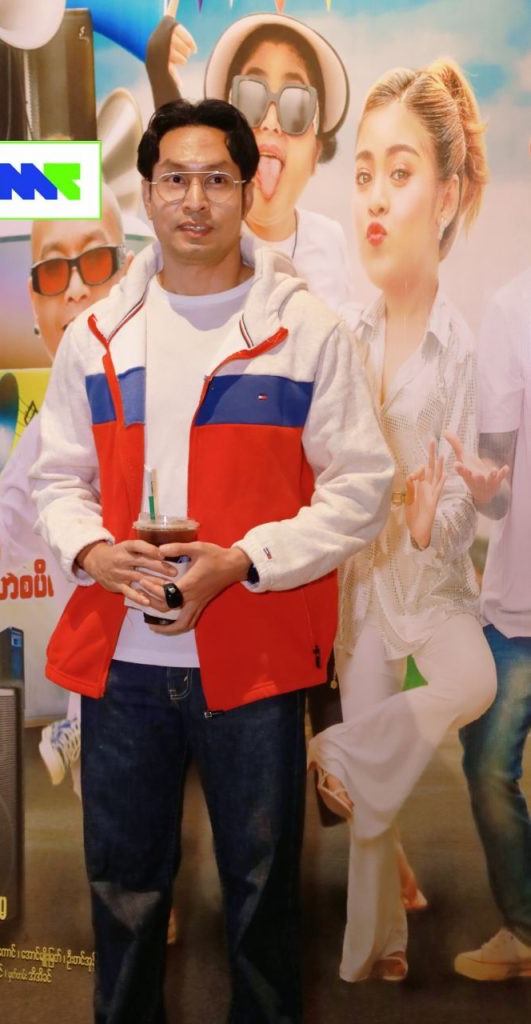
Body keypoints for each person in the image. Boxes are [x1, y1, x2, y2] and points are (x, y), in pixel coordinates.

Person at [31, 98, 393, 1023]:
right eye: (174, 180)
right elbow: (55, 478)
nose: (194, 200)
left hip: (255, 662)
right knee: (123, 895)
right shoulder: (96, 336)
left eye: (216, 179)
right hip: (122, 669)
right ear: (147, 193)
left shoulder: (306, 332)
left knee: (262, 900)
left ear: (247, 188)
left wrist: (243, 561)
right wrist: (93, 550)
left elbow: (361, 486)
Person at [306, 60, 497, 983]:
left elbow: (463, 502)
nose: (374, 198)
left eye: (400, 172)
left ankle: (336, 752)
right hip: (359, 593)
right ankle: (373, 946)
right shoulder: (340, 335)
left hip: (430, 587)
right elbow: (321, 468)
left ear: (447, 195)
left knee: (471, 680)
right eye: (362, 175)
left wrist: (429, 522)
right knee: (372, 804)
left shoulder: (463, 350)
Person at [0, 187, 130, 788]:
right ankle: (80, 725)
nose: (75, 288)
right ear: (34, 302)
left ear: (128, 273)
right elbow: (6, 534)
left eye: (94, 261)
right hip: (106, 683)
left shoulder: (176, 386)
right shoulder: (44, 435)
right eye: (52, 271)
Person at [447, 155, 531, 978]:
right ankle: (525, 931)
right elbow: (499, 493)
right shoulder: (511, 310)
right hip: (519, 607)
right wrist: (482, 491)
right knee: (485, 769)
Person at [146, 10, 351, 310]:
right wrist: (160, 76)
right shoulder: (200, 228)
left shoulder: (329, 240)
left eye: (297, 105)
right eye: (251, 97)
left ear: (316, 153)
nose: (270, 122)